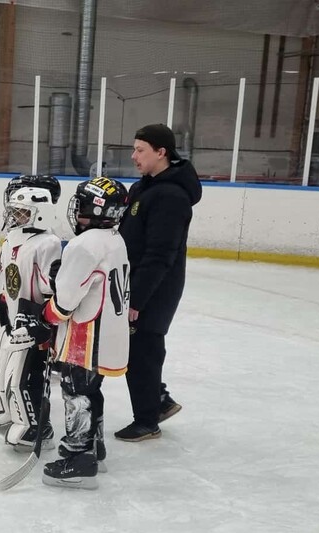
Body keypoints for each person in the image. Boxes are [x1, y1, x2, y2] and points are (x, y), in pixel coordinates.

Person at [21, 176, 130, 490]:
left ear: (95, 210)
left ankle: (79, 459)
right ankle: (95, 448)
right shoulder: (114, 238)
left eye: (81, 205)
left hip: (86, 335)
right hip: (108, 332)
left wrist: (45, 318)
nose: (76, 210)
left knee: (76, 393)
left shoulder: (85, 244)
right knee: (92, 390)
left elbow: (66, 301)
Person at [115, 123, 202, 442]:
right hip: (136, 282)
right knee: (136, 348)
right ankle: (159, 401)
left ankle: (147, 420)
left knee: (143, 350)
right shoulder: (144, 187)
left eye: (140, 150)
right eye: (134, 149)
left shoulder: (171, 196)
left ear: (161, 152)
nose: (134, 156)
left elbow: (160, 254)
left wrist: (137, 299)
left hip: (155, 288)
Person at [0, 186, 62, 447]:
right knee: (0, 369)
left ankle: (38, 426)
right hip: (9, 318)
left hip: (31, 322)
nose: (15, 217)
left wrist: (41, 323)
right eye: (15, 211)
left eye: (22, 212)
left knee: (26, 376)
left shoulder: (48, 243)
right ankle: (11, 411)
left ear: (40, 213)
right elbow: (2, 274)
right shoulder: (11, 238)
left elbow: (50, 287)